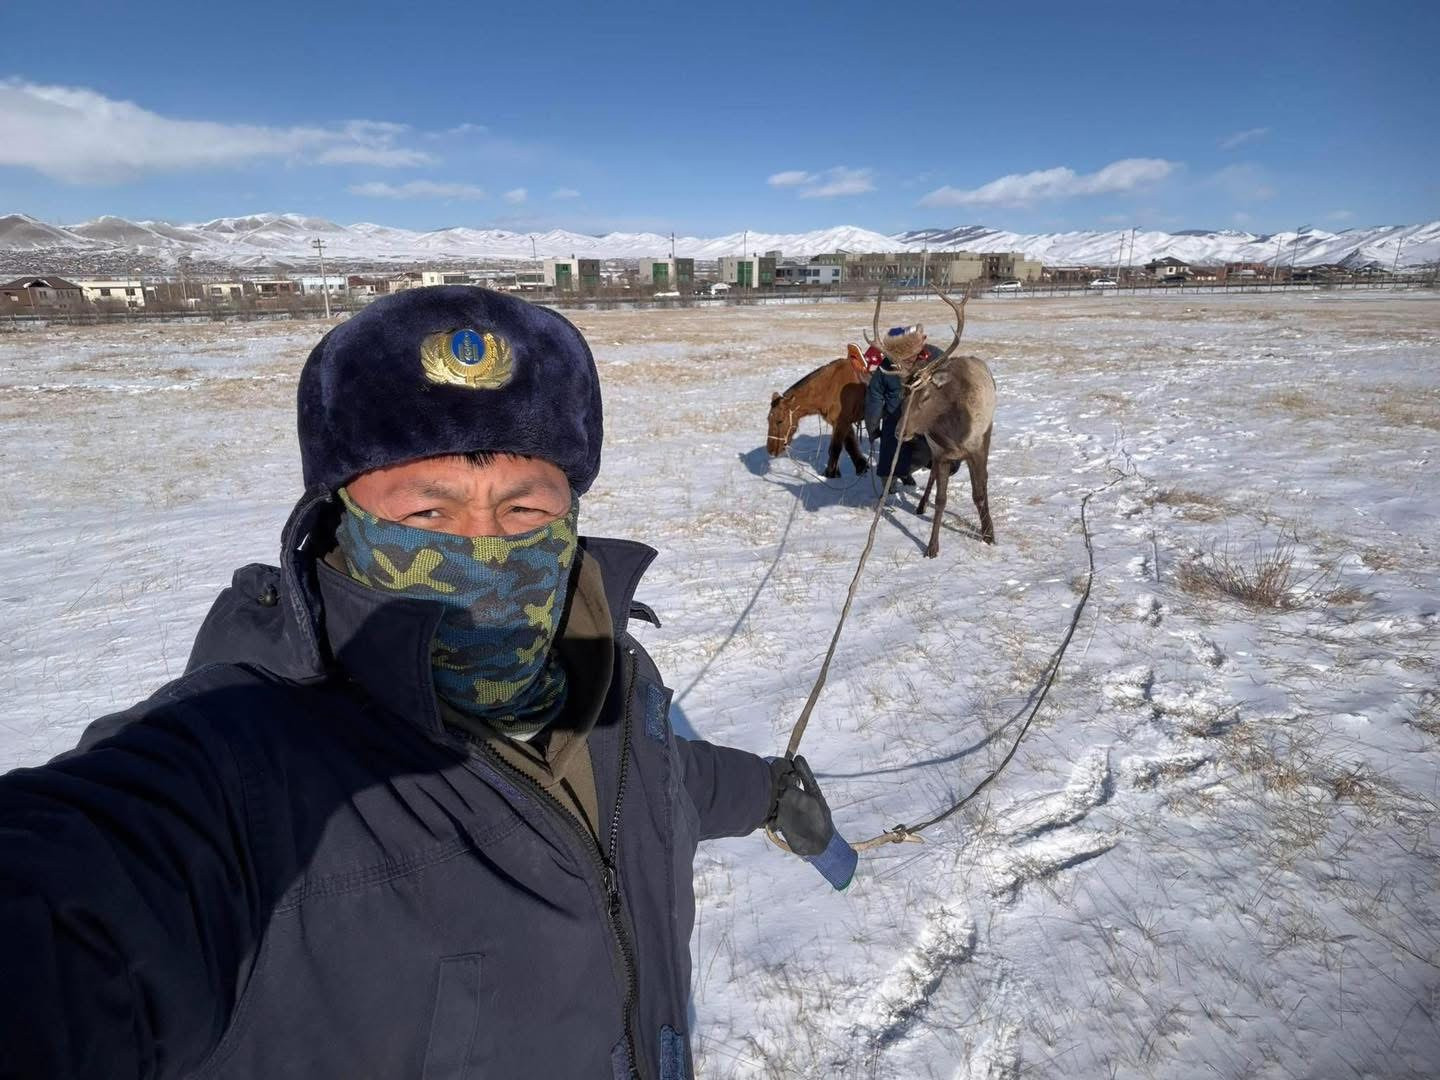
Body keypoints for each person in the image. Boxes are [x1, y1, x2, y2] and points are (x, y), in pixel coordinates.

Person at [0, 286, 838, 1079]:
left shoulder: (605, 671)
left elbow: (658, 779)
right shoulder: (244, 770)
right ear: (342, 518)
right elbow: (78, 910)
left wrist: (766, 792)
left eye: (525, 512)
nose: (484, 548)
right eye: (426, 516)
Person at [864, 323, 935, 488]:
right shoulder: (884, 369)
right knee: (890, 453)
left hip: (923, 420)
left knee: (922, 453)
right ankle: (890, 480)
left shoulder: (933, 358)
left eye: (912, 354)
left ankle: (899, 472)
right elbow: (874, 399)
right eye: (904, 356)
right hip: (894, 420)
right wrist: (873, 427)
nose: (909, 359)